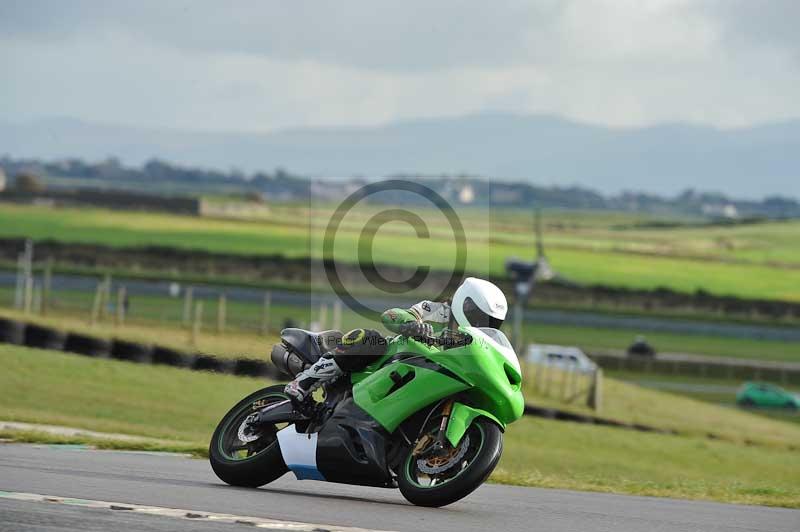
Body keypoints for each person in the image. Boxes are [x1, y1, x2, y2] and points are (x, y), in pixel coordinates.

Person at [284, 277, 508, 404]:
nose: (480, 324)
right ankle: (303, 381)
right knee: (372, 340)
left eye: (489, 321)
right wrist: (410, 324)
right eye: (479, 316)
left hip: (424, 378)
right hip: (389, 360)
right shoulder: (437, 311)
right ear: (465, 305)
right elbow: (390, 315)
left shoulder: (473, 341)